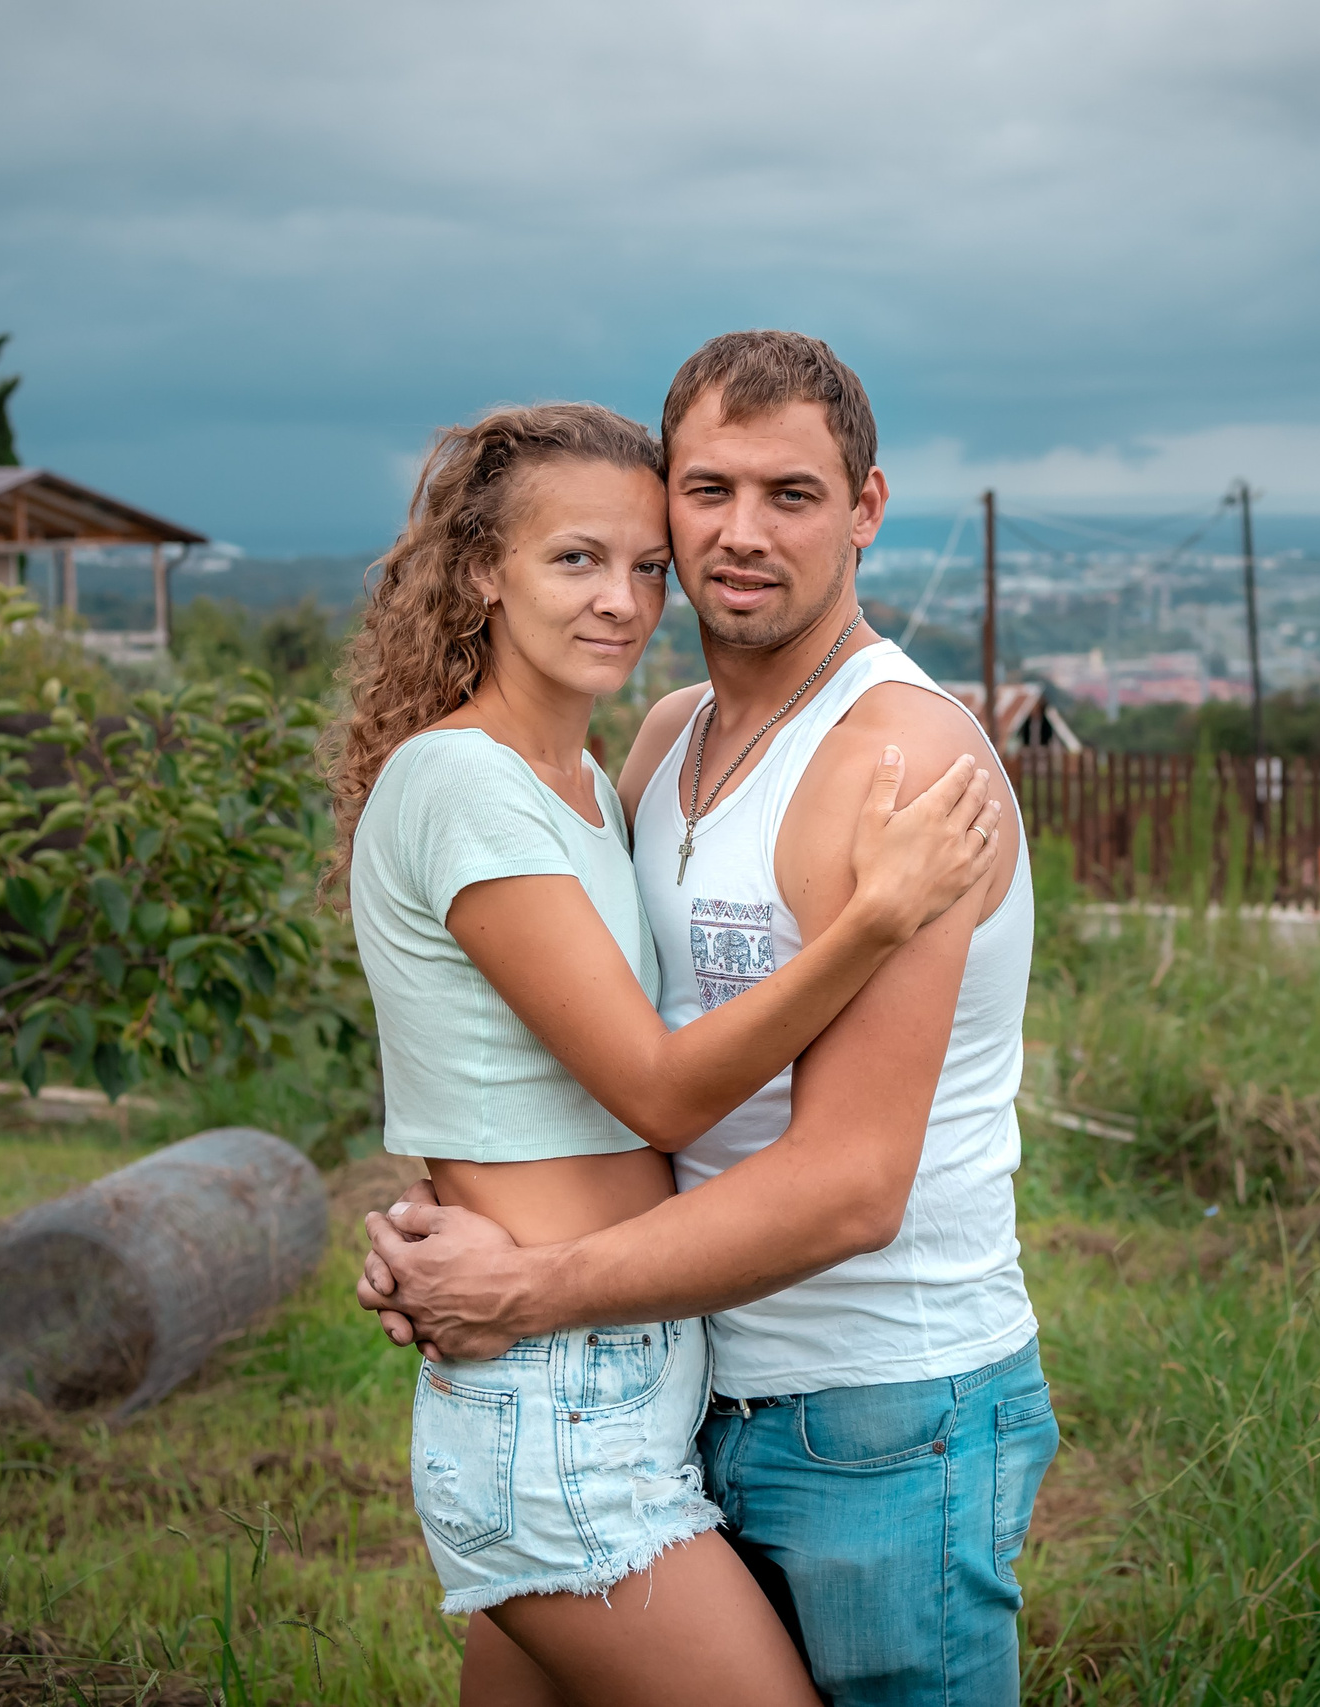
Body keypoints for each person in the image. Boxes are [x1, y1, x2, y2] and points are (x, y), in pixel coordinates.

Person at [364, 332, 1057, 1706]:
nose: (741, 535)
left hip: (875, 1409)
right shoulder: (666, 737)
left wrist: (520, 1287)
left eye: (791, 495)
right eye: (708, 491)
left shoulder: (899, 763)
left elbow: (853, 1188)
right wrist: (449, 1201)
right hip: (678, 1386)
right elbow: (546, 1039)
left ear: (864, 509)